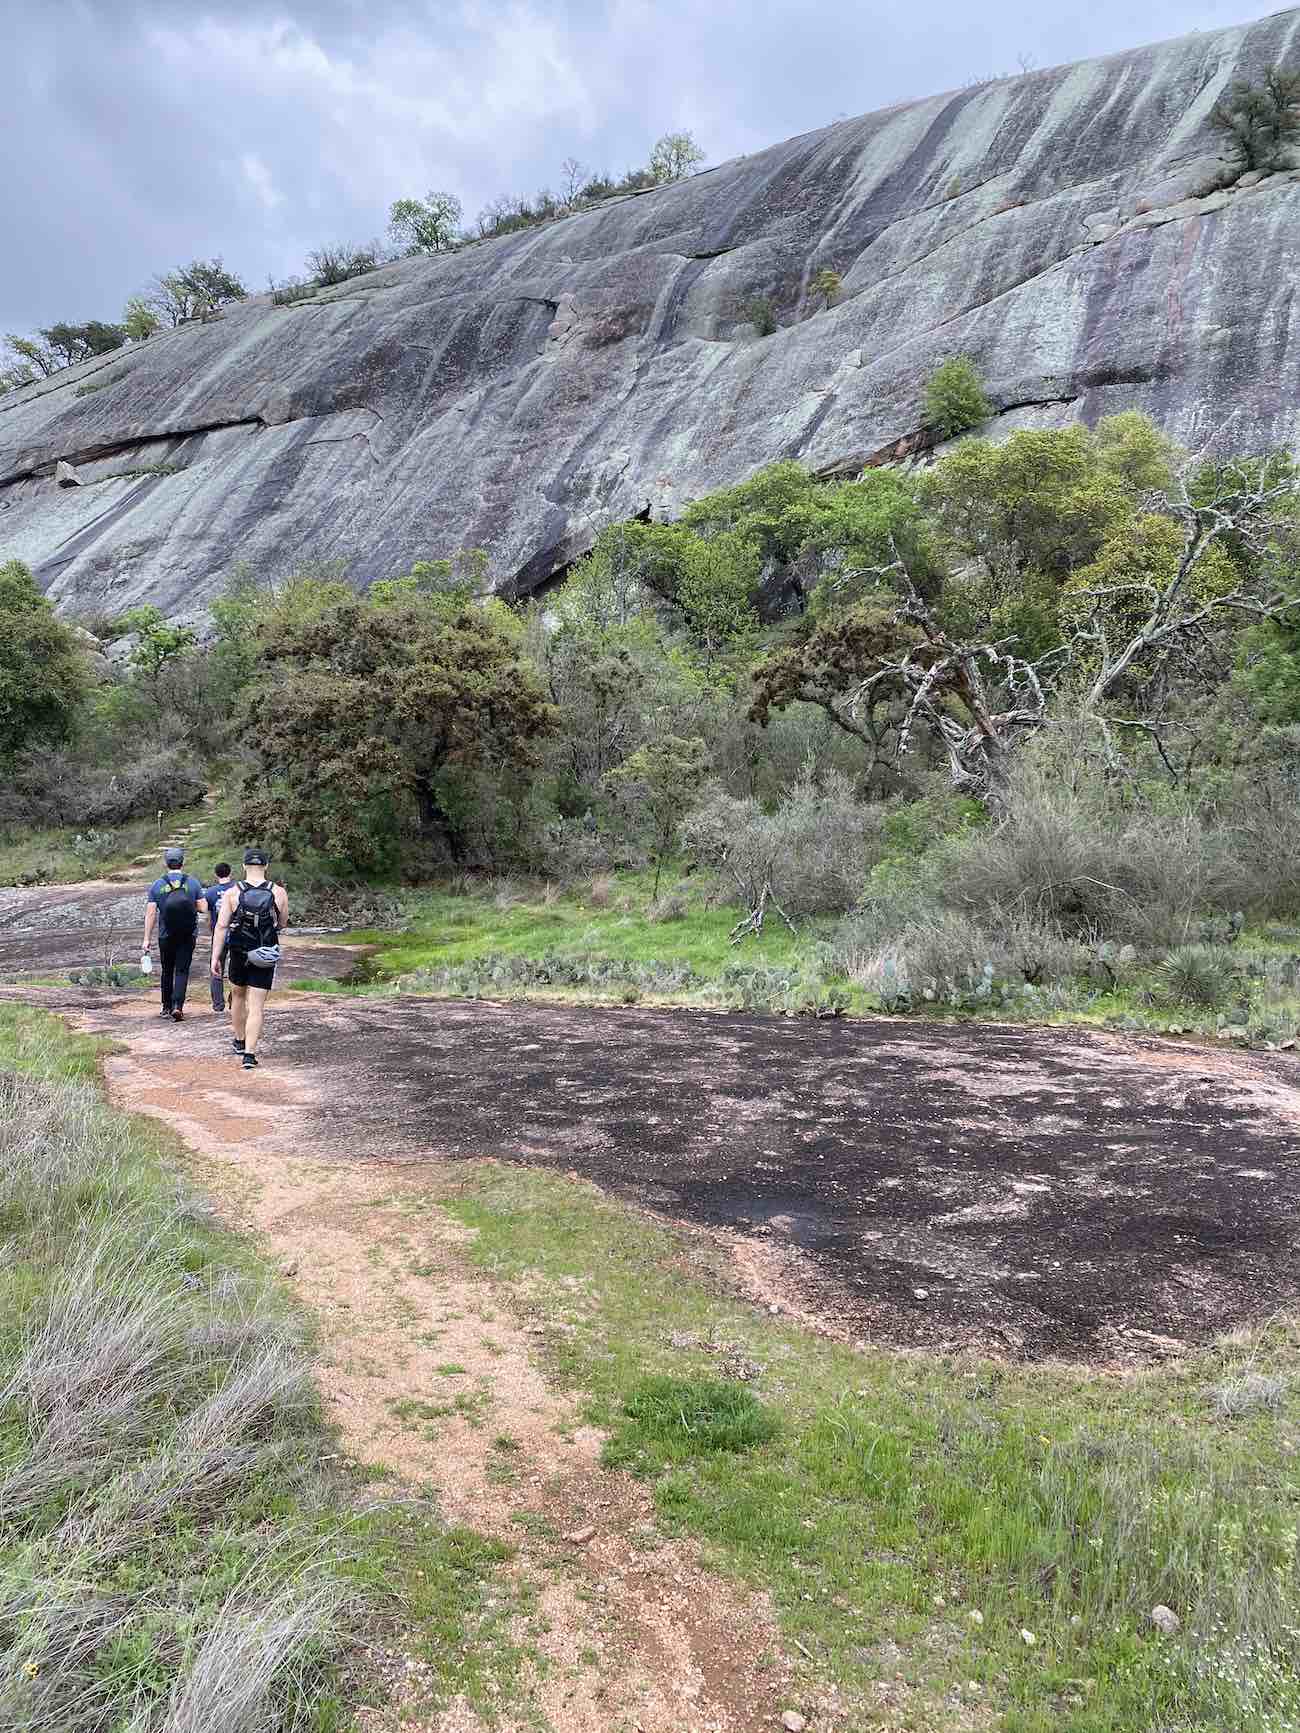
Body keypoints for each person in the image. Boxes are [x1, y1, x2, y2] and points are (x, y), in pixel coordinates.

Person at [211, 847, 288, 1071]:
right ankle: (249, 1055)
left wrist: (215, 957)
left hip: (238, 952)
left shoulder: (232, 893)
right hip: (265, 952)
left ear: (244, 866)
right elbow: (282, 923)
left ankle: (239, 1039)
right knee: (257, 1006)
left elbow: (221, 926)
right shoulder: (279, 892)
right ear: (266, 866)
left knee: (237, 996)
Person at [142, 847, 204, 1021]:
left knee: (167, 970)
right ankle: (178, 1006)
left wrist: (146, 938)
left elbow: (151, 913)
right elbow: (203, 907)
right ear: (183, 862)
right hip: (188, 933)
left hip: (165, 934)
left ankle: (166, 1007)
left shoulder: (157, 884)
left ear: (166, 863)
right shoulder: (193, 883)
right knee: (182, 970)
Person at [202, 863, 234, 1015]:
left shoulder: (210, 892)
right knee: (237, 968)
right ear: (230, 873)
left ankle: (218, 1004)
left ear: (216, 875)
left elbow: (208, 918)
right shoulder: (237, 889)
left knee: (216, 968)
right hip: (236, 934)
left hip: (218, 934)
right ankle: (235, 999)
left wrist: (212, 932)